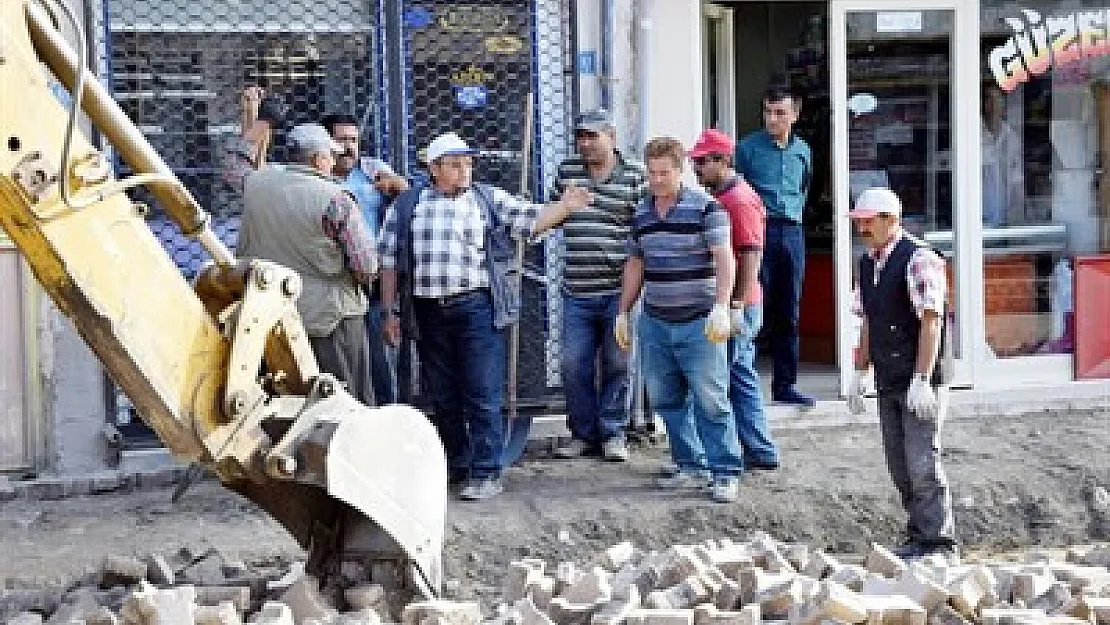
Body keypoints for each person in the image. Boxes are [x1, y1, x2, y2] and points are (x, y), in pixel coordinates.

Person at [378, 132, 591, 501]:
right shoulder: (408, 205)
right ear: (434, 169)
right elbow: (389, 261)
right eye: (455, 164)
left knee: (481, 391)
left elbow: (533, 220)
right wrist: (389, 311)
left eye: (468, 163)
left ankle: (486, 471)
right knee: (442, 394)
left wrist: (565, 207)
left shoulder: (488, 200)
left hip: (476, 308)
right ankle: (457, 463)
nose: (465, 171)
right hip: (427, 311)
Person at [615, 136, 743, 504]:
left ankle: (725, 470)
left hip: (698, 321)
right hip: (656, 321)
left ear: (681, 168)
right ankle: (689, 465)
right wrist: (624, 311)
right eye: (651, 173)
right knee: (666, 399)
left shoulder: (707, 209)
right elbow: (636, 262)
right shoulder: (641, 213)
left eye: (664, 172)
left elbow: (724, 258)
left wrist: (722, 306)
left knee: (711, 398)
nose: (656, 180)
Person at [847, 187, 958, 560]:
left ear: (890, 221)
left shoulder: (920, 260)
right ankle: (919, 534)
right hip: (889, 378)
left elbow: (931, 320)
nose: (862, 228)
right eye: (859, 222)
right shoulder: (867, 263)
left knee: (923, 461)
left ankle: (939, 542)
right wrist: (860, 372)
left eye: (867, 221)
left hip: (917, 378)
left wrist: (923, 378)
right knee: (899, 463)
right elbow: (868, 321)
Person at [234, 122, 378, 407]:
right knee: (344, 403)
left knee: (284, 403)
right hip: (331, 319)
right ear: (316, 159)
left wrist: (261, 122)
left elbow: (235, 162)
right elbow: (366, 265)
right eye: (330, 155)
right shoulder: (335, 198)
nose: (334, 160)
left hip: (271, 316)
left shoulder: (256, 185)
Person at [549, 110, 647, 462]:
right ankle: (583, 434)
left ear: (612, 137)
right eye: (581, 137)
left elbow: (644, 230)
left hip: (619, 293)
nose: (586, 143)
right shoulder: (568, 172)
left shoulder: (636, 175)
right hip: (577, 288)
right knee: (574, 364)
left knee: (618, 364)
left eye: (593, 136)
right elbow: (554, 214)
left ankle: (613, 433)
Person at [690, 129, 780, 471]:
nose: (696, 169)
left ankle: (743, 451)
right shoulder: (727, 197)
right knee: (739, 376)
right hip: (739, 302)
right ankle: (759, 449)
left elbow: (751, 255)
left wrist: (735, 306)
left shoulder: (738, 200)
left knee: (723, 379)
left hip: (740, 303)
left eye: (702, 162)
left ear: (723, 161)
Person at [322, 113, 409, 405]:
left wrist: (397, 185)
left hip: (371, 279)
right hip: (333, 278)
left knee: (378, 358)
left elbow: (408, 197)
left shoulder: (372, 170)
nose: (349, 147)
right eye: (341, 140)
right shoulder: (318, 176)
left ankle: (385, 415)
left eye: (353, 140)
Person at [736, 83, 815, 408]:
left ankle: (785, 385)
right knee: (753, 307)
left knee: (789, 311)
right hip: (759, 232)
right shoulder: (748, 148)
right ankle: (743, 385)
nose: (772, 119)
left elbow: (805, 188)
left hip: (792, 232)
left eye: (780, 113)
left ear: (795, 115)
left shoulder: (803, 151)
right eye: (767, 112)